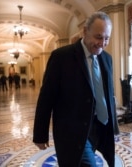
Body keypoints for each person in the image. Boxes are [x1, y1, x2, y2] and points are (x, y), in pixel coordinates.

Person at [33, 11, 119, 167]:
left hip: (99, 126)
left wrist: (113, 123)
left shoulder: (107, 58)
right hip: (73, 130)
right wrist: (40, 133)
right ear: (85, 31)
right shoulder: (61, 57)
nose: (102, 43)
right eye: (98, 37)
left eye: (107, 38)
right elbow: (46, 97)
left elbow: (107, 92)